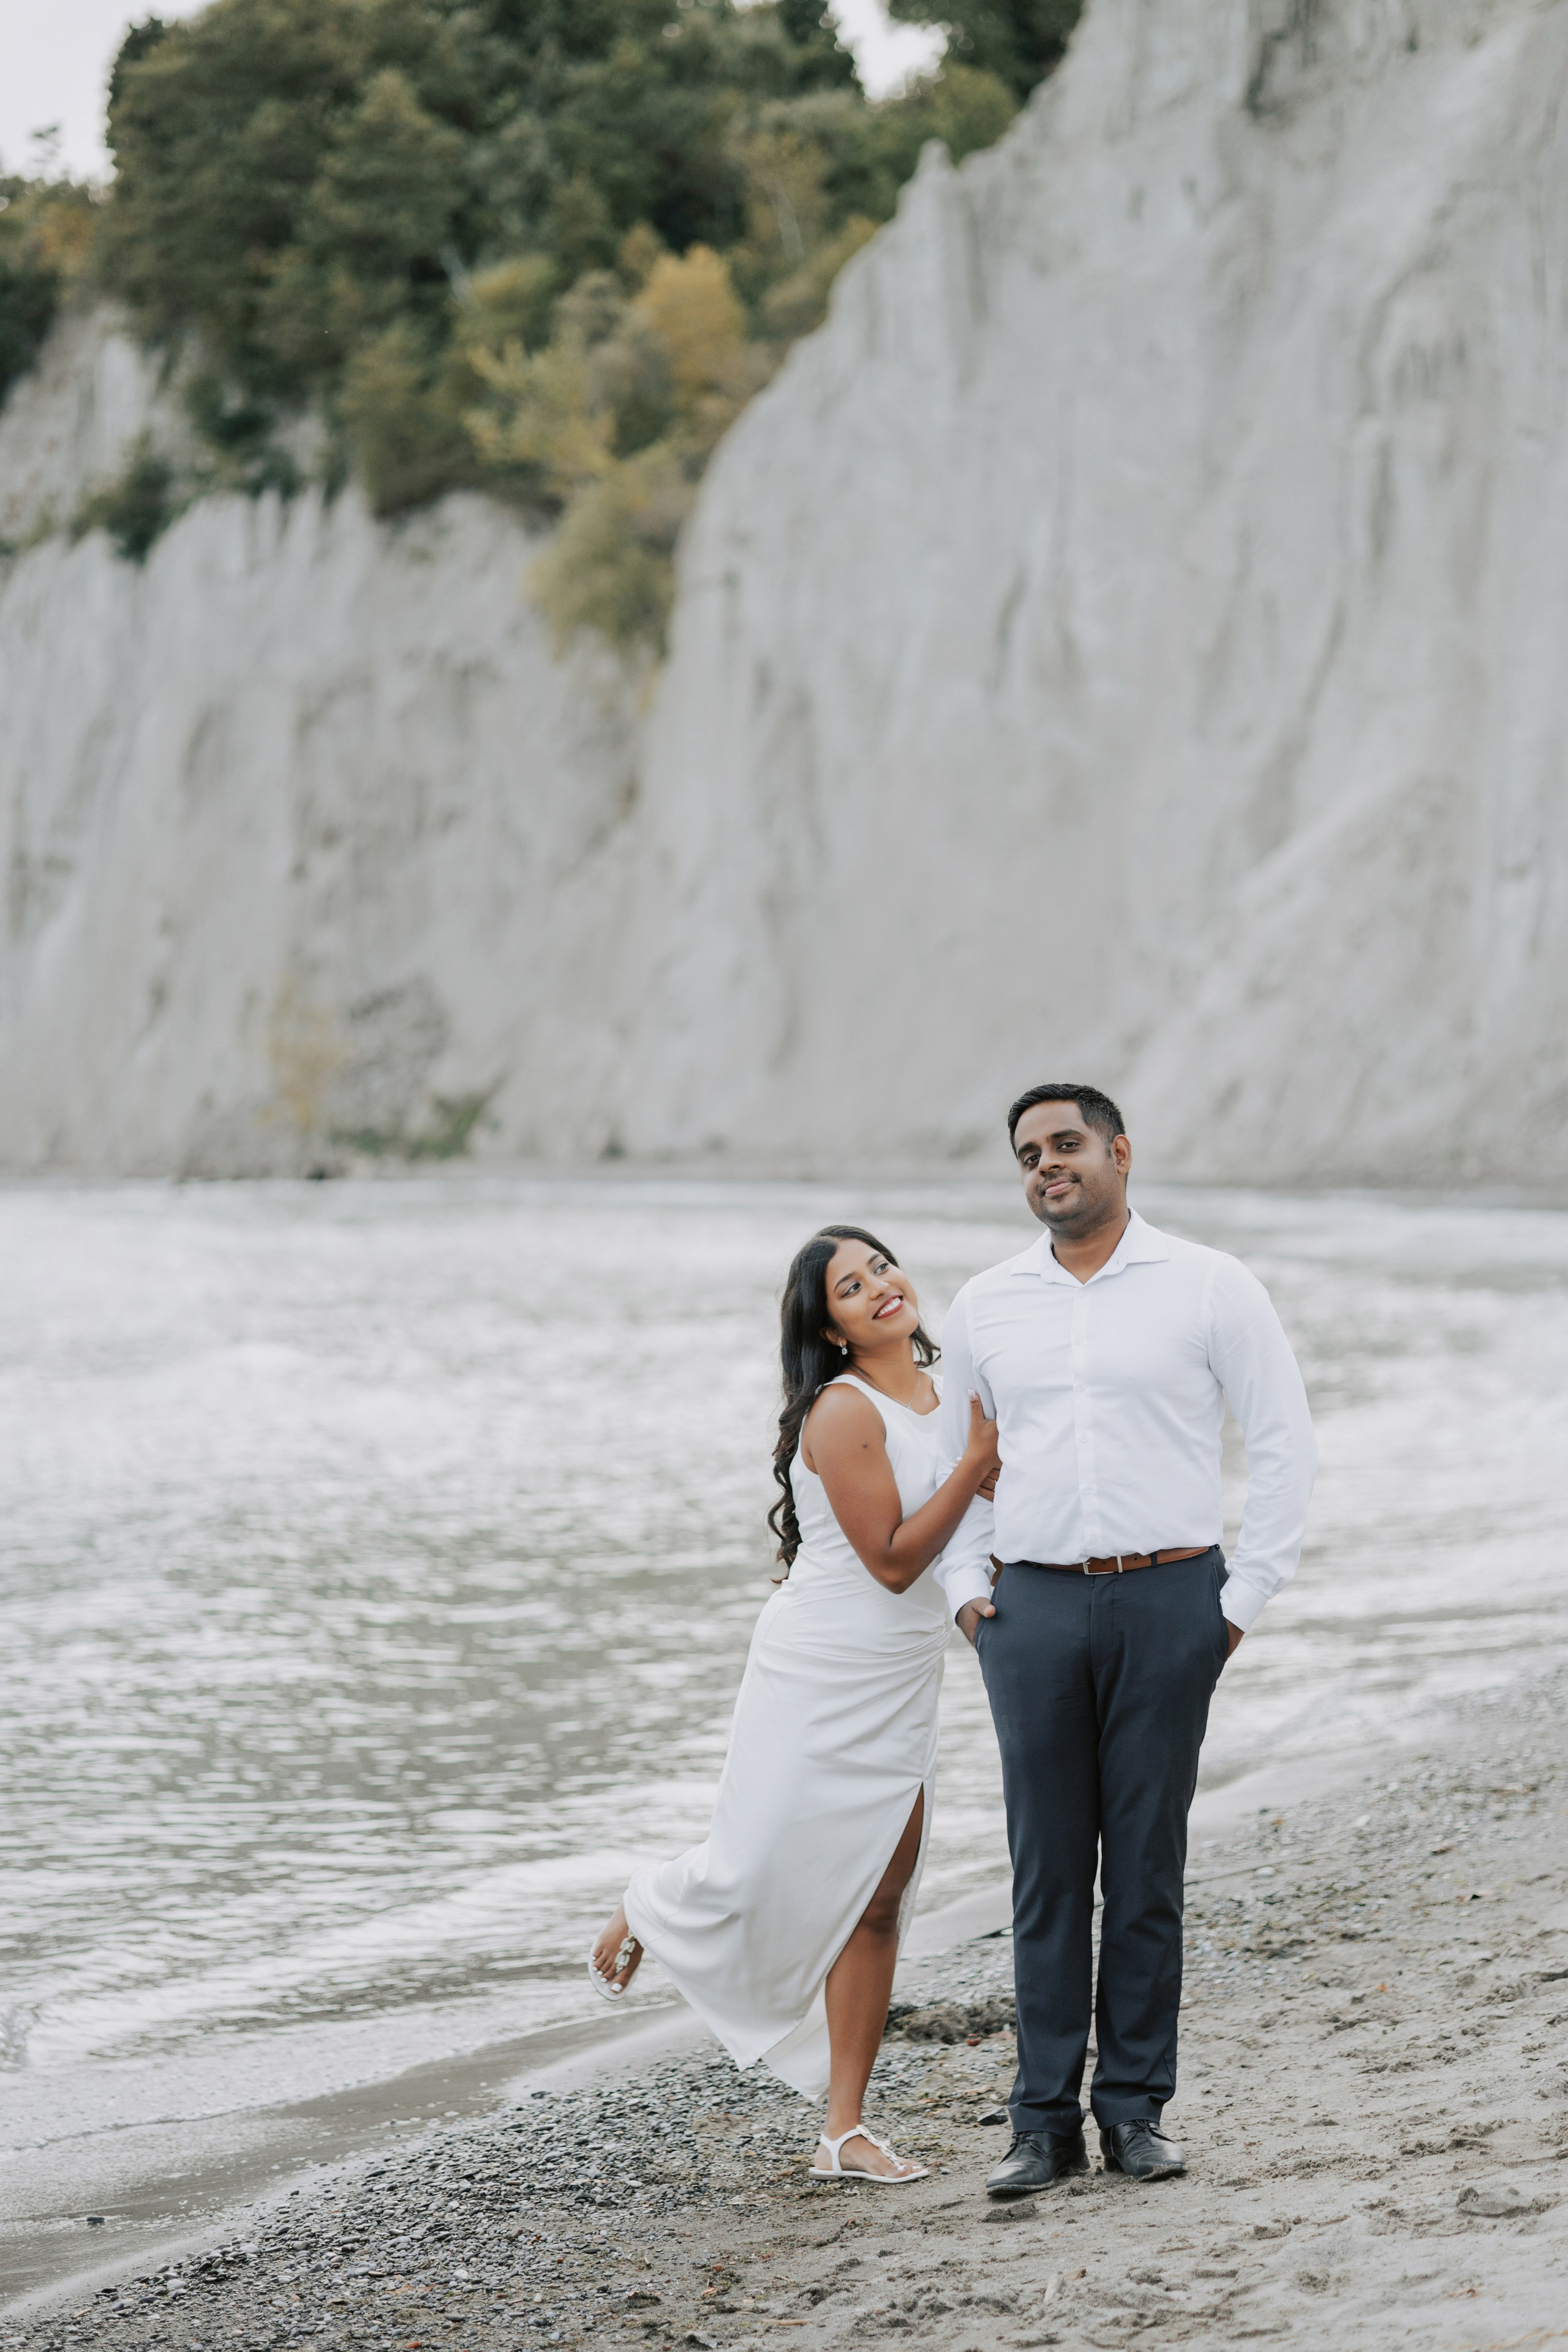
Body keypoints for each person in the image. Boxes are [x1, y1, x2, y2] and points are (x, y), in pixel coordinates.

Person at [933, 1085, 1316, 2197]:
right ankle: (1041, 2124)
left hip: (1170, 1601)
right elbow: (961, 1466)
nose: (1047, 1165)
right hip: (1033, 1612)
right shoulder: (987, 1304)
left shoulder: (1209, 1284)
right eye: (1028, 1154)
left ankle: (1136, 2112)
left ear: (1119, 1154)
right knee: (1047, 1875)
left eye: (1066, 1145)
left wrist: (1240, 1601)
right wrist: (968, 1595)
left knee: (1146, 1866)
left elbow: (1284, 1440)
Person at [589, 1224, 1000, 2185]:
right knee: (761, 1857)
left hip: (902, 1676)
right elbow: (896, 1561)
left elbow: (973, 1528)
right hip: (821, 1666)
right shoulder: (842, 1413)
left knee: (881, 1899)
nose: (880, 1288)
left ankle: (843, 2132)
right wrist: (980, 1463)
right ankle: (649, 1906)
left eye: (882, 1267)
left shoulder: (954, 1396)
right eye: (852, 1288)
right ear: (835, 1327)